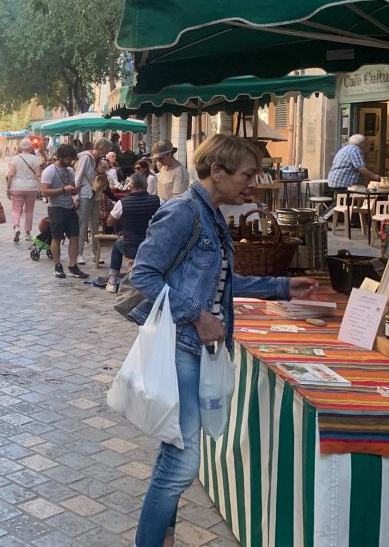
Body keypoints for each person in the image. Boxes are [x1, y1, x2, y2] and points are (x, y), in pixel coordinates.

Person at [128, 134, 318, 547]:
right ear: (217, 170)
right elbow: (142, 276)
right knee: (181, 463)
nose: (252, 184)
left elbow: (220, 282)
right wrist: (198, 316)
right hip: (181, 346)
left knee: (174, 452)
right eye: (247, 175)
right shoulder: (184, 212)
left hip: (193, 348)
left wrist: (282, 286)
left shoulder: (210, 214)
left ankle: (162, 538)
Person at [105, 172, 161, 293]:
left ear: (130, 186)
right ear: (146, 185)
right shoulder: (158, 200)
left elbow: (109, 222)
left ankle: (113, 280)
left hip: (131, 247)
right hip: (152, 246)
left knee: (117, 245)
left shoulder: (122, 203)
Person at [40, 144, 88, 279]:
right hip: (56, 208)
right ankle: (58, 265)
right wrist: (63, 190)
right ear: (59, 157)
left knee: (74, 237)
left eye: (71, 159)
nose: (70, 162)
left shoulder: (70, 171)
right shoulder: (50, 171)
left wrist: (75, 192)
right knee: (57, 237)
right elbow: (44, 191)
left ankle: (73, 266)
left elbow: (71, 188)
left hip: (70, 207)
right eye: (68, 159)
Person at [74, 138, 113, 264]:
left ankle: (96, 253)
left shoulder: (98, 160)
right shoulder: (86, 157)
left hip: (96, 194)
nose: (107, 152)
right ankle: (79, 254)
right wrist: (77, 195)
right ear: (101, 148)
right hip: (85, 194)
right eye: (107, 149)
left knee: (95, 225)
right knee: (82, 224)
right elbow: (78, 177)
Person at [6, 139, 41, 243]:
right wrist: (41, 187)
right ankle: (27, 233)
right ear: (30, 147)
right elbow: (38, 175)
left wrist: (8, 188)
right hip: (32, 188)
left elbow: (11, 174)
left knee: (16, 209)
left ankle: (16, 227)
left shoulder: (16, 159)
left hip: (17, 187)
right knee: (29, 210)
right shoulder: (36, 159)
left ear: (21, 147)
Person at [152, 139, 190, 203]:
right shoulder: (163, 168)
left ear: (169, 154)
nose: (159, 161)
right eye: (157, 159)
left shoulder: (180, 172)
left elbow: (177, 199)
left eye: (161, 158)